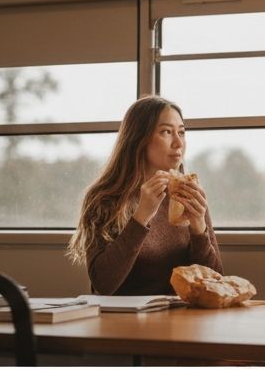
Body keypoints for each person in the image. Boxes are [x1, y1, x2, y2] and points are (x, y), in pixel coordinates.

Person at [67, 96, 223, 294]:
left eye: (182, 132)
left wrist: (199, 227)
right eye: (166, 132)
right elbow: (104, 284)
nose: (178, 143)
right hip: (123, 319)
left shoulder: (189, 194)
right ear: (139, 139)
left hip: (182, 319)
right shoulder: (104, 198)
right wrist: (141, 216)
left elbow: (216, 285)